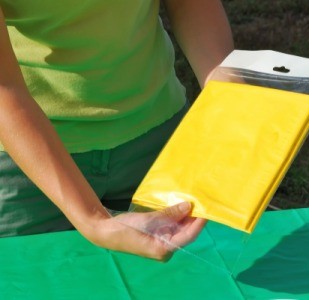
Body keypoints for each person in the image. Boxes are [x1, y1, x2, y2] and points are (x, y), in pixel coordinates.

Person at [0, 0, 234, 260]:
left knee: (182, 282)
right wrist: (94, 220)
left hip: (158, 138)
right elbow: (3, 89)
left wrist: (224, 89)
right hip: (27, 164)